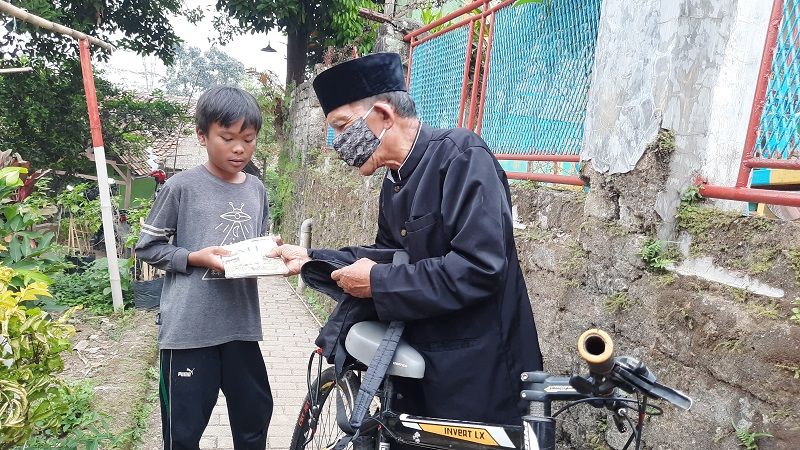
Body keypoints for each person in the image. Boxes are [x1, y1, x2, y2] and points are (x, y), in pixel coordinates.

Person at [272, 53, 543, 428]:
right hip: (418, 360)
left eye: (341, 126)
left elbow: (479, 268)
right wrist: (311, 258)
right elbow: (389, 255)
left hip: (478, 371)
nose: (337, 143)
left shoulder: (462, 157)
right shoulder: (394, 181)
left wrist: (378, 283)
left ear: (383, 115)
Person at [135, 86, 272, 450]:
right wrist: (195, 257)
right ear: (202, 135)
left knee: (254, 420)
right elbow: (148, 247)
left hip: (241, 328)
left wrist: (273, 256)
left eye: (248, 139)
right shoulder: (181, 187)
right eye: (227, 138)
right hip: (189, 331)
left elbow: (256, 242)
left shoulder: (257, 190)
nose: (239, 148)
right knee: (182, 434)